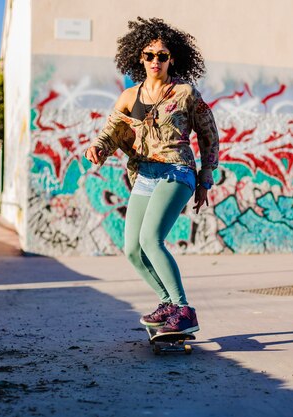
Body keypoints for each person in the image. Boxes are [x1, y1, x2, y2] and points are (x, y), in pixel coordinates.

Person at [85, 17, 219, 334]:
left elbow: (209, 135)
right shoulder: (130, 97)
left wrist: (205, 178)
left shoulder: (186, 93)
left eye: (162, 55)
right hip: (145, 174)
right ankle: (167, 303)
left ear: (172, 59)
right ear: (139, 58)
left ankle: (184, 310)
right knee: (132, 248)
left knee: (150, 239)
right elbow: (110, 133)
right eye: (149, 55)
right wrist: (98, 148)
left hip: (178, 170)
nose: (155, 61)